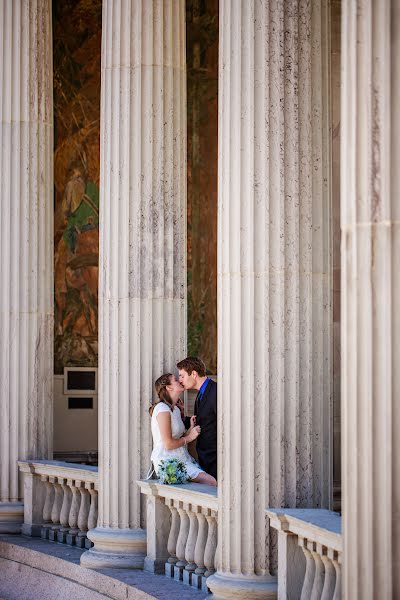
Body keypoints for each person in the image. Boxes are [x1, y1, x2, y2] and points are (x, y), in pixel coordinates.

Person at [150, 373, 217, 486]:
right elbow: (168, 444)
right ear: (169, 387)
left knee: (212, 478)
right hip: (168, 462)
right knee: (210, 481)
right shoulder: (162, 409)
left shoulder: (175, 409)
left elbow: (179, 438)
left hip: (182, 458)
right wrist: (190, 437)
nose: (180, 381)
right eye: (176, 379)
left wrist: (190, 429)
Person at [177, 357, 217, 481]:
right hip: (206, 458)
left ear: (193, 374)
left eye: (182, 376)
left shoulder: (215, 391)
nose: (180, 380)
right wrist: (183, 415)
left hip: (216, 459)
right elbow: (204, 420)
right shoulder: (201, 393)